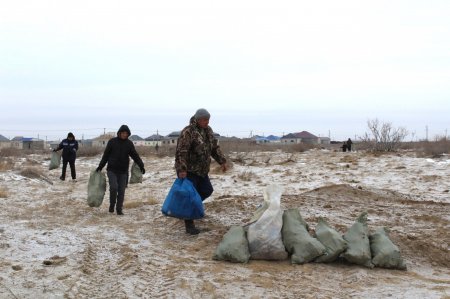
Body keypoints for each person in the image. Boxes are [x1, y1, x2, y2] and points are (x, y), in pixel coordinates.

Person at [175, 108, 228, 235]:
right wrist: (182, 169)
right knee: (190, 196)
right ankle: (189, 225)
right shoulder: (188, 131)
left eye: (208, 120)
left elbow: (214, 147)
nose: (206, 122)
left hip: (203, 171)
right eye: (204, 120)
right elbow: (181, 151)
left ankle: (188, 209)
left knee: (207, 190)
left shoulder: (208, 131)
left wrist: (222, 161)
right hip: (190, 171)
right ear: (198, 119)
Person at [96, 125, 145, 215]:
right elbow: (105, 155)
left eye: (126, 133)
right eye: (123, 133)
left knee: (122, 190)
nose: (124, 135)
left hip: (123, 171)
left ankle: (119, 209)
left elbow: (135, 155)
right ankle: (112, 205)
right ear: (119, 133)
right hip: (112, 170)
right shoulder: (112, 142)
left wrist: (141, 165)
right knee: (114, 187)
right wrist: (100, 166)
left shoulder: (129, 144)